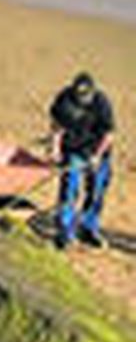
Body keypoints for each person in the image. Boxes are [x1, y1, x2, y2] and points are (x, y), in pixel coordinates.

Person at [49, 71, 115, 250]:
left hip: (97, 152)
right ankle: (64, 231)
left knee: (96, 191)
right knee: (69, 190)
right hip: (74, 151)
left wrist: (97, 157)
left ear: (92, 92)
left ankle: (88, 228)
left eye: (85, 95)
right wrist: (55, 149)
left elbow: (108, 135)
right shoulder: (64, 99)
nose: (82, 99)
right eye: (79, 95)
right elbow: (57, 126)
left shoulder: (102, 103)